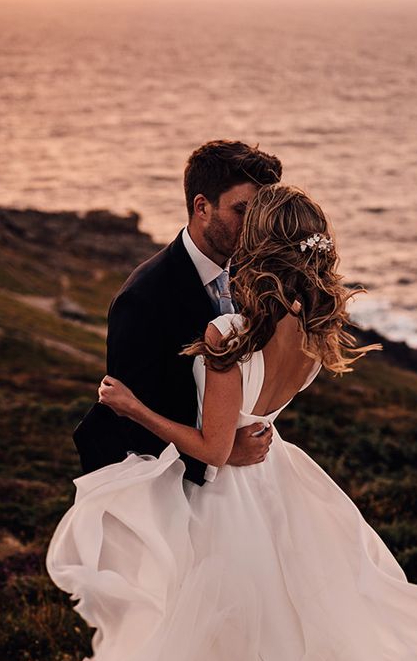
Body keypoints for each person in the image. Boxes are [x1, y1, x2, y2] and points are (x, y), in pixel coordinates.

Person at [47, 185, 417, 661]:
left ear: (260, 243)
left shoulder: (227, 334)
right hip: (273, 479)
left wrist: (135, 409)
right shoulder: (315, 328)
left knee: (231, 626)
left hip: (227, 499)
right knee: (289, 616)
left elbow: (214, 450)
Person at [71, 139, 282, 484]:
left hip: (233, 477)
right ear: (202, 207)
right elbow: (131, 421)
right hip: (161, 485)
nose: (253, 226)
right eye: (242, 211)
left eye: (258, 214)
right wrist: (223, 455)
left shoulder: (250, 276)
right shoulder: (142, 298)